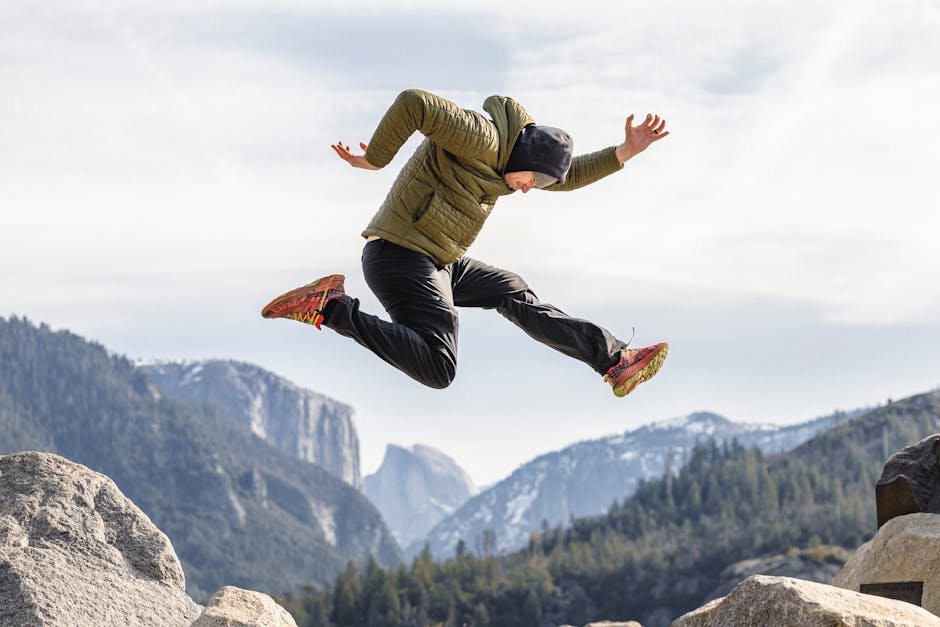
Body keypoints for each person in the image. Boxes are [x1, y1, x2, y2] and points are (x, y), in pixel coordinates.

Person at [262, 89, 669, 397]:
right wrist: (375, 160)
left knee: (512, 290)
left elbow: (572, 175)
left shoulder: (515, 163)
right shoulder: (482, 137)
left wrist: (626, 152)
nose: (533, 189)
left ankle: (615, 361)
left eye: (543, 184)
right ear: (525, 155)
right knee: (439, 367)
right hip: (399, 255)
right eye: (537, 179)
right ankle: (329, 306)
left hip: (439, 259)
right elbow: (414, 104)